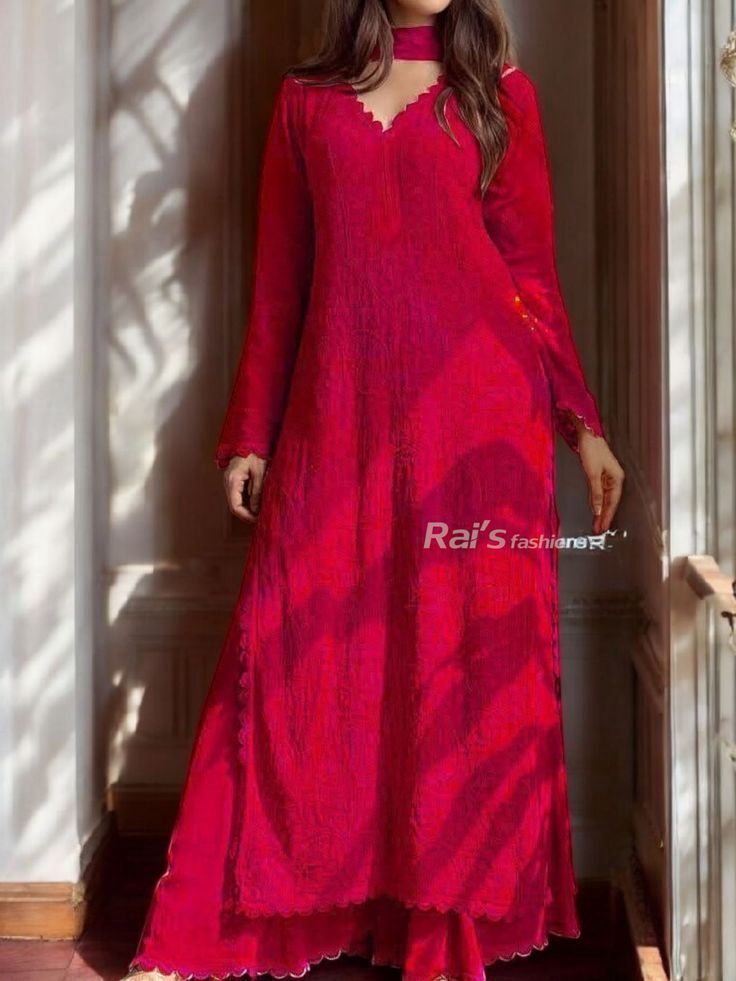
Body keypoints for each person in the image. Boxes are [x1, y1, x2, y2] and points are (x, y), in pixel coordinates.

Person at [122, 1, 625, 979]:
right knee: (293, 653)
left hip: (477, 427)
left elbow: (533, 280)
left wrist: (584, 426)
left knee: (451, 673)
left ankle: (436, 932)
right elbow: (279, 282)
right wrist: (250, 432)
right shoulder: (305, 103)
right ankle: (196, 933)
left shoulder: (500, 98)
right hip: (338, 417)